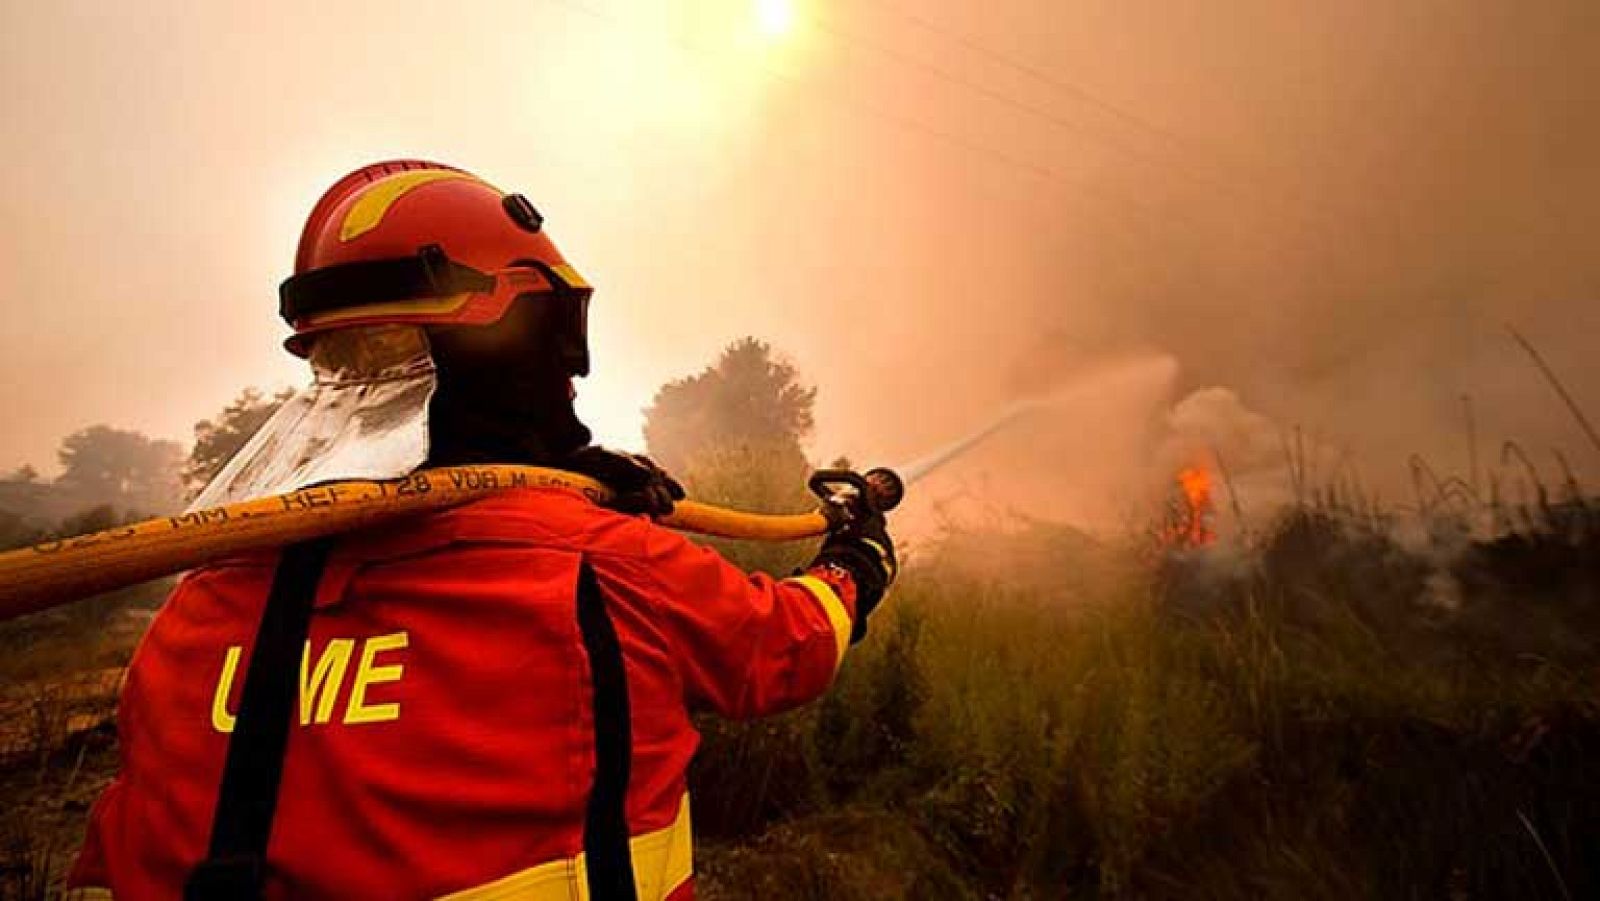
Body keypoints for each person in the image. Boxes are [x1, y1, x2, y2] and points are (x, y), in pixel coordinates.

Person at [65, 161, 895, 901]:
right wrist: (853, 560)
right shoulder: (603, 569)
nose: (572, 377)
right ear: (516, 346)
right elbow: (783, 644)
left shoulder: (193, 613)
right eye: (557, 342)